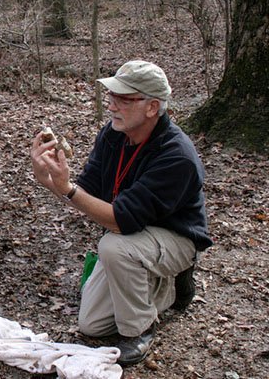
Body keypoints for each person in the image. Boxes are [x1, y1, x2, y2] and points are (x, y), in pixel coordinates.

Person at [30, 60, 213, 366]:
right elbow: (85, 192)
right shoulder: (114, 134)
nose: (111, 105)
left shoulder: (177, 155)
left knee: (114, 246)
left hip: (177, 237)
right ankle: (167, 289)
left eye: (124, 99)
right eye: (111, 96)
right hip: (135, 236)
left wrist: (67, 188)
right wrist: (48, 179)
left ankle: (138, 331)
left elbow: (118, 220)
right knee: (92, 324)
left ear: (152, 107)